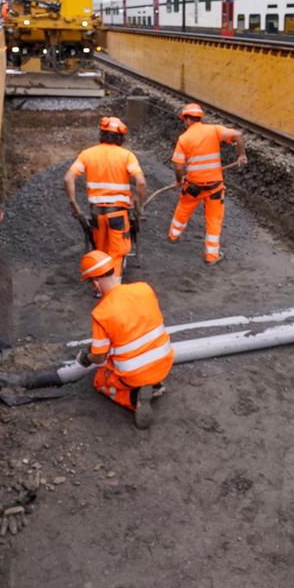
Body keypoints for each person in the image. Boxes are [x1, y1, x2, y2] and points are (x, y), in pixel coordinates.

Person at [76, 249, 172, 429]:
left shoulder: (101, 313)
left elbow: (100, 357)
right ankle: (155, 384)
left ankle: (134, 398)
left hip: (133, 375)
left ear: (96, 284)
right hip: (164, 362)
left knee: (99, 380)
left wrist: (86, 358)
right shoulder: (144, 288)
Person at [167, 103, 247, 265]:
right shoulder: (214, 130)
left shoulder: (184, 139)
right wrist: (241, 155)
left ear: (187, 120)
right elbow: (238, 134)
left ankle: (173, 235)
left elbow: (178, 166)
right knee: (214, 219)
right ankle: (211, 255)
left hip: (193, 186)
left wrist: (178, 181)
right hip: (214, 186)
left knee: (183, 208)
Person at [64, 116, 148, 265]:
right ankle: (114, 279)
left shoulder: (87, 154)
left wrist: (73, 203)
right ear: (121, 137)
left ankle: (100, 278)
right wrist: (140, 206)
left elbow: (68, 178)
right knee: (116, 254)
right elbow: (141, 182)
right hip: (118, 213)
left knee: (100, 253)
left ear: (102, 134)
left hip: (97, 213)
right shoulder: (127, 156)